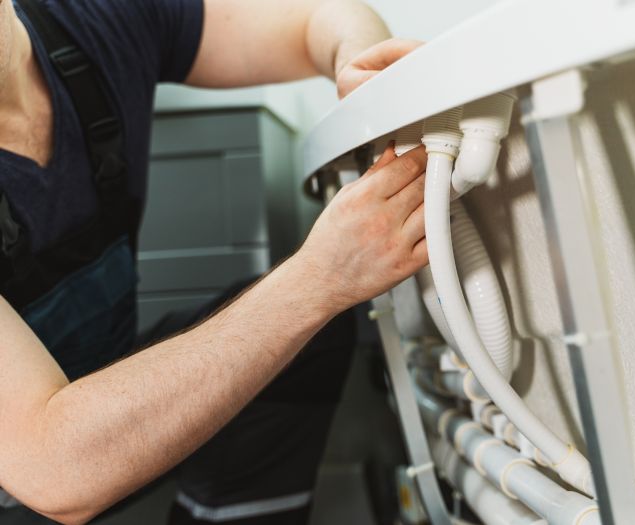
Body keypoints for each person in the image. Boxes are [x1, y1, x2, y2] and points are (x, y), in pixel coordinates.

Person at [0, 0, 428, 524]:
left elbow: (323, 16)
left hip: (103, 394)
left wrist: (366, 73)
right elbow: (53, 466)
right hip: (29, 470)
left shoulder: (95, 20)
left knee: (305, 345)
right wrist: (319, 278)